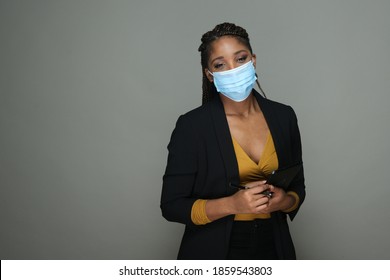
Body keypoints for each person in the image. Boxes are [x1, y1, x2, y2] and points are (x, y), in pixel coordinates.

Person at [160, 22, 306, 260]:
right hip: (214, 251)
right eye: (220, 64)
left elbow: (297, 187)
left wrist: (285, 201)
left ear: (253, 60)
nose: (233, 69)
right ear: (210, 75)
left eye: (240, 59)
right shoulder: (192, 126)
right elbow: (172, 205)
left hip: (275, 245)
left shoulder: (284, 116)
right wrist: (233, 205)